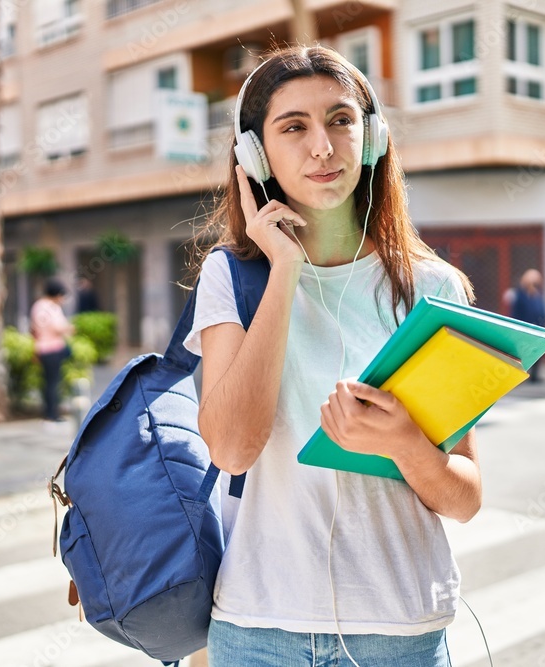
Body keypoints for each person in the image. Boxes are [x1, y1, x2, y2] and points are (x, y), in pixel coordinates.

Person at [183, 46, 481, 667]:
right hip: (259, 628)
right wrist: (284, 267)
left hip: (399, 633)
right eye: (293, 127)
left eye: (341, 120)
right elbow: (232, 448)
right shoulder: (231, 277)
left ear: (371, 138)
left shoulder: (433, 289)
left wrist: (403, 443)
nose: (322, 146)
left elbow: (464, 499)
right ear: (255, 156)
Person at [30, 278, 74, 421]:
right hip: (53, 349)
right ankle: (53, 414)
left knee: (48, 383)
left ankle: (48, 412)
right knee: (54, 383)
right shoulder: (51, 307)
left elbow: (34, 329)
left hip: (41, 348)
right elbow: (58, 327)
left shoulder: (37, 306)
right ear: (56, 294)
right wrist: (70, 328)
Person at [508, 268, 545, 382]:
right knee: (523, 353)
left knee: (537, 352)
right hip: (525, 328)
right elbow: (517, 312)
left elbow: (542, 310)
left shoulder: (537, 294)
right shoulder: (521, 295)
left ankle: (534, 376)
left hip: (538, 328)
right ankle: (522, 376)